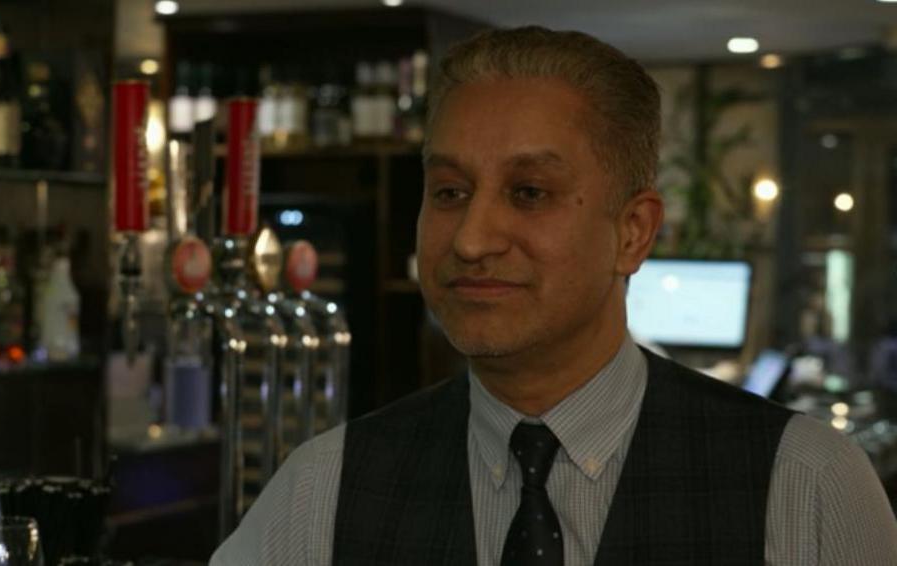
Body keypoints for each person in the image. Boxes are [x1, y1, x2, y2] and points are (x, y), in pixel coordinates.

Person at [210, 26, 897, 565]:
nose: (472, 238)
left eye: (528, 193)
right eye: (450, 192)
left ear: (632, 233)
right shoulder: (321, 491)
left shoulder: (804, 486)